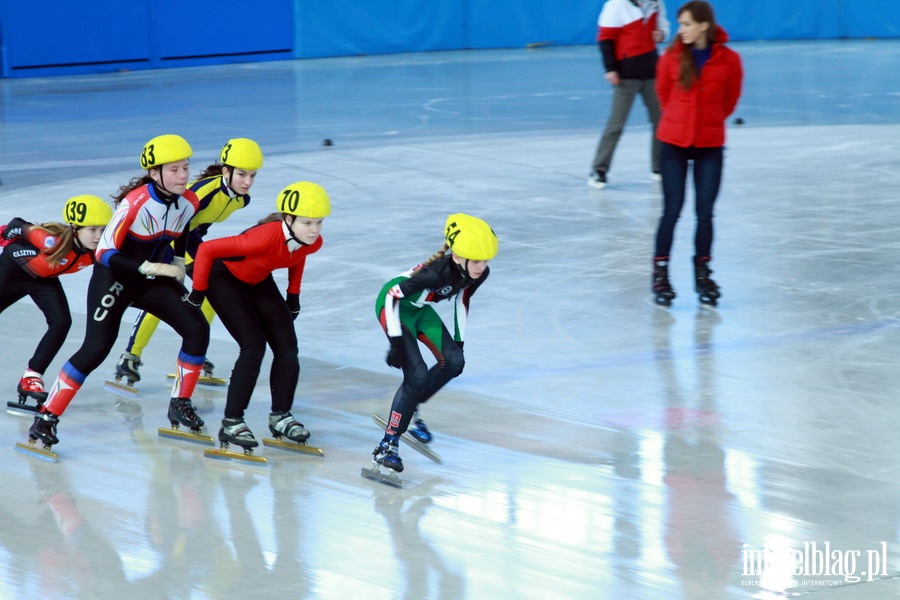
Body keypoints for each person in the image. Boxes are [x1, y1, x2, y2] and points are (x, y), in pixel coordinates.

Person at [28, 134, 211, 449]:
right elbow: (104, 252)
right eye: (175, 170)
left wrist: (179, 259)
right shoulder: (136, 202)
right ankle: (46, 416)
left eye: (186, 168)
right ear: (155, 174)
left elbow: (184, 226)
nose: (184, 176)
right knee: (96, 348)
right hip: (116, 277)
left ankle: (179, 403)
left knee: (197, 328)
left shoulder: (188, 201)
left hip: (151, 278)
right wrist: (150, 267)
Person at [185, 181, 329, 451]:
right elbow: (206, 250)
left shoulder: (312, 241)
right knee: (253, 345)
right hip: (223, 278)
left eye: (319, 223)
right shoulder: (264, 236)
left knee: (288, 348)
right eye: (308, 223)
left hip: (257, 279)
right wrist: (198, 292)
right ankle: (232, 421)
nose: (315, 230)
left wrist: (293, 295)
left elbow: (299, 256)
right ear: (289, 219)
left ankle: (281, 415)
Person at [114, 138, 263, 386]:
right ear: (226, 171)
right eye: (242, 174)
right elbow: (175, 217)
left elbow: (200, 225)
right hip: (168, 241)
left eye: (253, 176)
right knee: (167, 296)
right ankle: (131, 355)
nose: (247, 182)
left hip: (191, 241)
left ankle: (194, 349)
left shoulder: (240, 199)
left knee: (212, 294)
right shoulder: (205, 191)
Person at [371, 213, 498, 473]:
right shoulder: (434, 274)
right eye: (476, 260)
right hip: (395, 308)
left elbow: (463, 300)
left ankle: (411, 406)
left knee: (454, 362)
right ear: (458, 256)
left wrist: (459, 343)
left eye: (486, 260)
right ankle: (387, 445)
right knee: (415, 375)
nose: (481, 267)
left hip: (419, 310)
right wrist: (395, 342)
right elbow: (392, 297)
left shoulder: (477, 273)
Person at [651, 0, 742, 307]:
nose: (682, 30)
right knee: (671, 211)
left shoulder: (729, 60)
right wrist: (682, 122)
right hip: (673, 143)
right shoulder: (671, 58)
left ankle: (703, 274)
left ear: (704, 25)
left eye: (687, 24)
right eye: (680, 24)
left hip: (709, 145)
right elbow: (664, 95)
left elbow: (729, 101)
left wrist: (707, 123)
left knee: (705, 214)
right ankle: (660, 275)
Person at [0, 196, 112, 408]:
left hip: (44, 280)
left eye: (103, 230)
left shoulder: (97, 251)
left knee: (62, 322)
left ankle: (31, 377)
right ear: (75, 228)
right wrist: (4, 237)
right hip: (12, 271)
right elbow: (15, 225)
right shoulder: (51, 240)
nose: (98, 237)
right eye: (92, 230)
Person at [589, 0, 669, 189]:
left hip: (652, 71)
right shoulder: (616, 4)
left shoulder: (656, 3)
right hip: (626, 75)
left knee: (662, 121)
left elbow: (664, 25)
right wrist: (611, 69)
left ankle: (659, 167)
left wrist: (662, 33)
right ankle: (599, 170)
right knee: (616, 124)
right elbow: (605, 38)